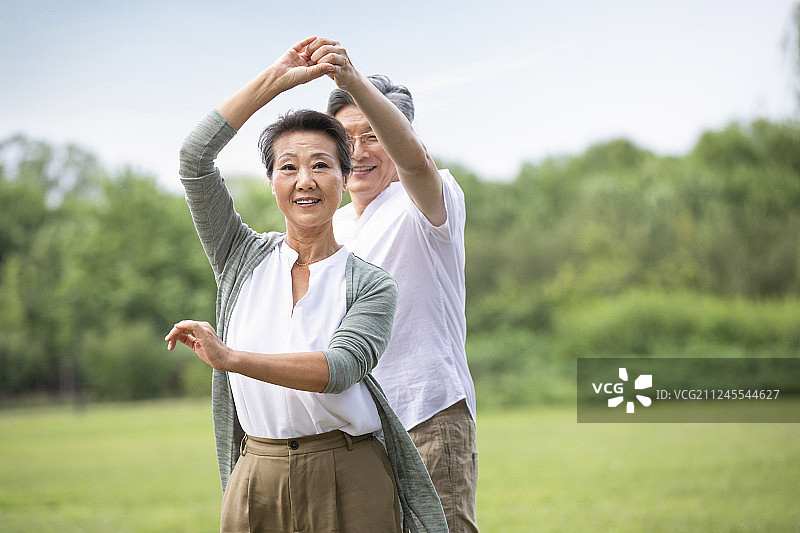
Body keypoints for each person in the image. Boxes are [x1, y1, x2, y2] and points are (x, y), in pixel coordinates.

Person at [166, 36, 447, 533]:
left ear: (343, 176)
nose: (305, 181)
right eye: (288, 167)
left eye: (321, 165)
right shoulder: (240, 256)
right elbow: (194, 159)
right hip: (256, 474)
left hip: (350, 475)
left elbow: (339, 369)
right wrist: (275, 80)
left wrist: (231, 358)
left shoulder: (371, 284)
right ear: (272, 182)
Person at [319, 39, 479, 532]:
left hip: (426, 415)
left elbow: (415, 164)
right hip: (355, 428)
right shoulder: (332, 226)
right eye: (345, 138)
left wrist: (352, 82)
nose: (358, 151)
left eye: (373, 134)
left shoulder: (426, 200)